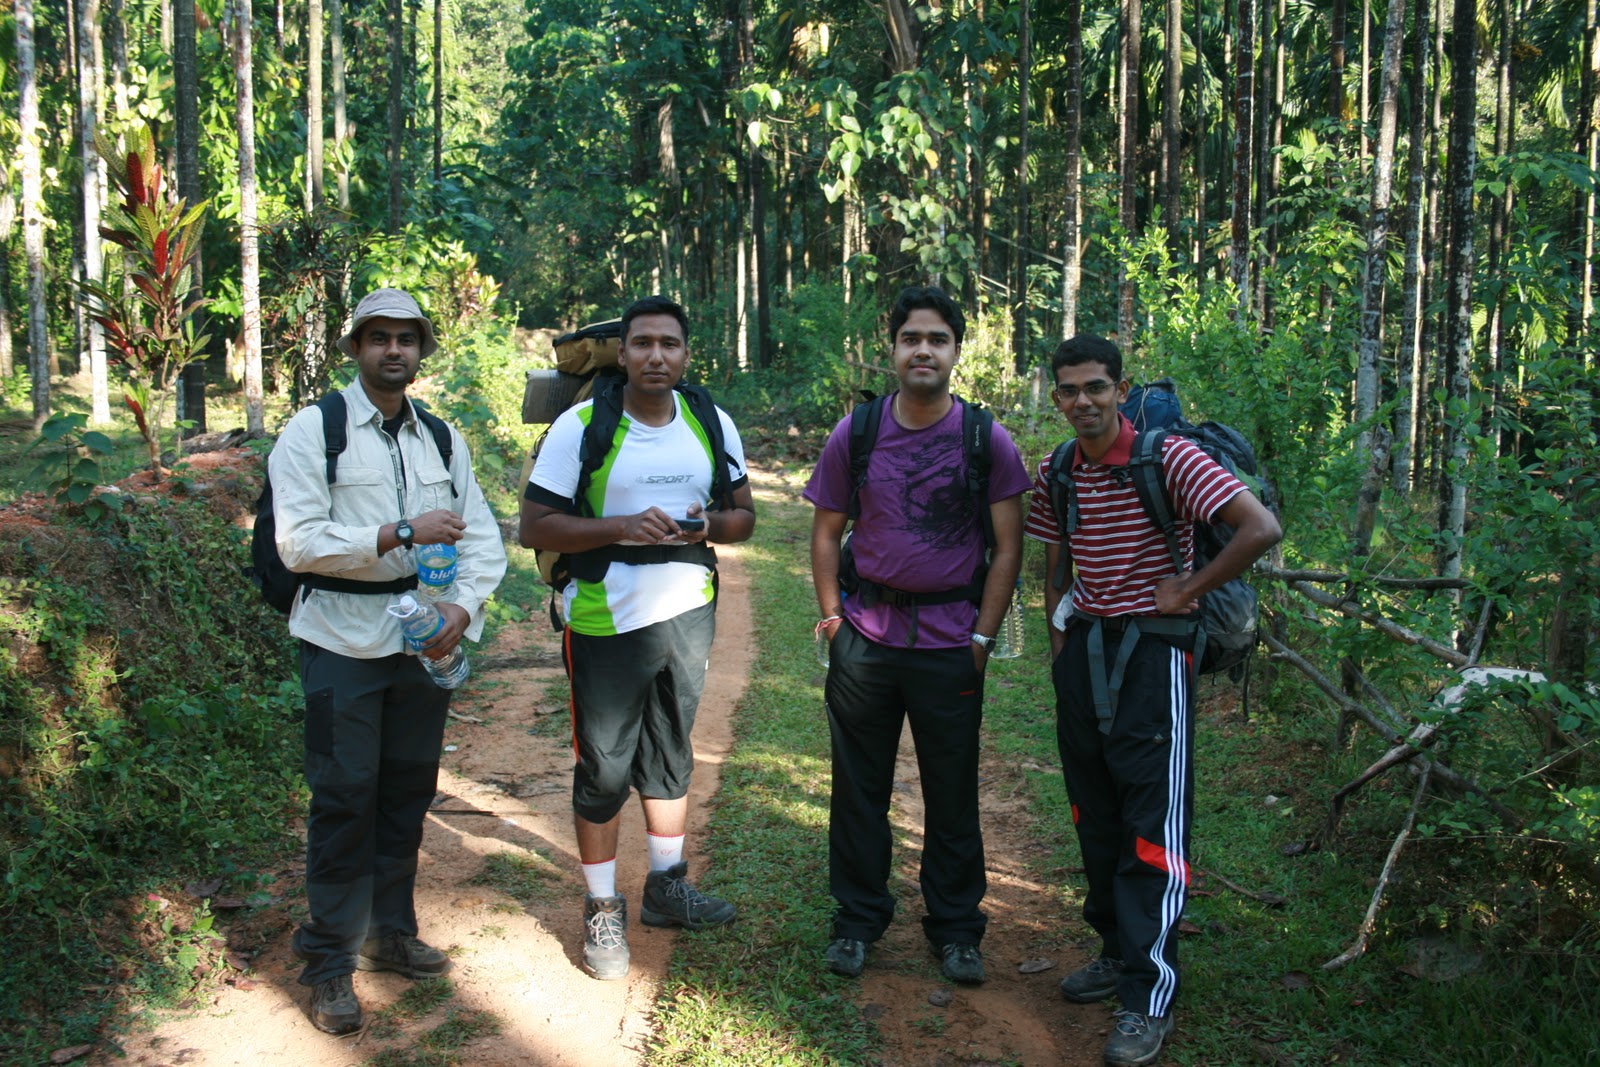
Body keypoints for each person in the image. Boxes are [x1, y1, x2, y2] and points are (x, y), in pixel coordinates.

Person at [1023, 334, 1281, 1066]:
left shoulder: (1169, 459)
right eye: (1069, 389)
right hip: (1085, 653)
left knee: (1151, 824)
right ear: (1056, 396)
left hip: (1155, 655)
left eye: (1096, 387)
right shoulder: (1058, 469)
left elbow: (1260, 527)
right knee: (1094, 812)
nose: (1083, 401)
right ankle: (1115, 951)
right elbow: (1055, 567)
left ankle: (1148, 995)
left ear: (1119, 388)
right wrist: (1060, 650)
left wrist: (1187, 588)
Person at [270, 287, 508, 1035]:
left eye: (407, 338)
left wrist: (460, 612)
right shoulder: (316, 430)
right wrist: (399, 531)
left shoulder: (441, 436)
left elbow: (481, 538)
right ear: (356, 348)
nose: (394, 349)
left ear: (421, 350)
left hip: (422, 642)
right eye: (379, 337)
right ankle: (329, 964)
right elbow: (298, 541)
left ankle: (390, 931)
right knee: (344, 795)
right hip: (340, 639)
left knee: (407, 789)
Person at [519, 295, 757, 982]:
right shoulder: (582, 427)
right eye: (643, 343)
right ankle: (601, 905)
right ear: (622, 354)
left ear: (686, 355)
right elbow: (535, 525)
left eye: (669, 344)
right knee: (604, 766)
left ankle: (665, 886)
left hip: (687, 609)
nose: (656, 355)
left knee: (671, 749)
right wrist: (620, 527)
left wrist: (704, 525)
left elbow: (743, 518)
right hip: (603, 614)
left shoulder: (709, 419)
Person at [804, 285, 1032, 985]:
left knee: (952, 790)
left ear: (957, 351)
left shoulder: (985, 438)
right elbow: (826, 531)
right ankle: (857, 920)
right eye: (911, 338)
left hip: (950, 643)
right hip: (866, 639)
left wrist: (983, 639)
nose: (923, 350)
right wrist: (834, 618)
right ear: (893, 348)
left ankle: (957, 929)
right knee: (858, 788)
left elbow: (1009, 547)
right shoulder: (858, 431)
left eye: (937, 339)